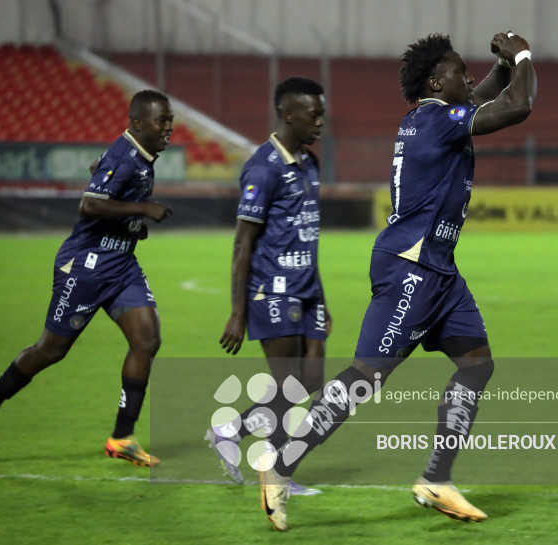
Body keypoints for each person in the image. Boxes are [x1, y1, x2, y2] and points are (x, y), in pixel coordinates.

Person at [256, 32, 537, 531]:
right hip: (410, 267)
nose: (468, 77)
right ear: (435, 81)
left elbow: (476, 96)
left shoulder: (429, 117)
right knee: (364, 379)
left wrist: (497, 66)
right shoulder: (438, 121)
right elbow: (517, 106)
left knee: (476, 365)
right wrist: (520, 56)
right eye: (458, 70)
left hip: (439, 270)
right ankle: (279, 463)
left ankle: (436, 479)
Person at [0, 90, 174, 467]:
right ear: (139, 123)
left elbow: (102, 177)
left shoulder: (138, 156)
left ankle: (121, 436)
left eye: (170, 121)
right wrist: (142, 208)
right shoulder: (127, 156)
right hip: (86, 266)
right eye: (162, 121)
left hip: (121, 265)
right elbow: (89, 204)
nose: (169, 128)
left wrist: (131, 225)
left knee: (147, 339)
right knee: (51, 350)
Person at [206, 76, 331, 496]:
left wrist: (322, 298)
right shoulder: (263, 168)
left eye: (322, 113)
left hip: (308, 290)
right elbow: (243, 242)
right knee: (289, 387)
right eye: (314, 114)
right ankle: (277, 474)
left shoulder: (310, 163)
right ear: (288, 114)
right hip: (272, 290)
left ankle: (231, 430)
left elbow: (305, 236)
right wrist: (238, 311)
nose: (321, 121)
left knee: (311, 380)